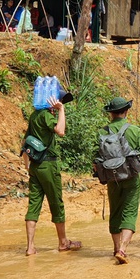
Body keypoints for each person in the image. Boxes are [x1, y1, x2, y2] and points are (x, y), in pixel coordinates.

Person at [22, 93, 81, 256]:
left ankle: (30, 247)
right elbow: (60, 131)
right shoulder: (46, 115)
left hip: (35, 166)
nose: (60, 103)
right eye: (59, 101)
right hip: (48, 165)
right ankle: (63, 243)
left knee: (34, 204)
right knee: (56, 203)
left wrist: (27, 165)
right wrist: (61, 110)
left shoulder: (34, 116)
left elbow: (25, 141)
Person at [98, 97, 140, 264]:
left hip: (112, 178)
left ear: (111, 113)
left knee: (115, 212)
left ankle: (115, 248)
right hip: (131, 177)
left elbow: (96, 159)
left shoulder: (102, 132)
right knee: (129, 213)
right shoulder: (135, 131)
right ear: (126, 111)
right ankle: (123, 249)